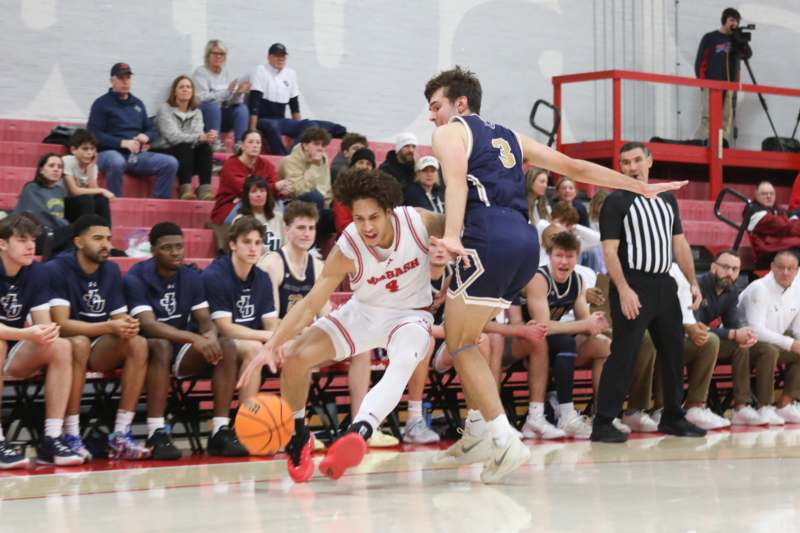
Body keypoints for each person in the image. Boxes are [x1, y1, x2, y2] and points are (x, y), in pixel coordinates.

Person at [424, 67, 685, 479]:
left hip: (487, 235)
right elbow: (573, 166)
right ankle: (475, 432)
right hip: (526, 242)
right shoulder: (511, 136)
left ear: (459, 104)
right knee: (470, 336)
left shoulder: (450, 131)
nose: (431, 116)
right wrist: (638, 186)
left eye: (435, 106)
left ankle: (503, 438)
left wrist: (453, 235)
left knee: (459, 344)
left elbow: (455, 184)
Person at [237, 169, 444, 483]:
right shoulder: (349, 246)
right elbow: (309, 303)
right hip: (364, 312)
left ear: (390, 211)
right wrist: (271, 344)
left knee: (403, 361)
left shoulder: (418, 221)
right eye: (359, 219)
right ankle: (298, 436)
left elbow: (461, 226)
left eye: (373, 217)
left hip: (410, 314)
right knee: (295, 357)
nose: (367, 227)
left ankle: (359, 431)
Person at [591, 141, 705, 442]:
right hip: (632, 284)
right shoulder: (616, 201)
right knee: (623, 354)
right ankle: (603, 422)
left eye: (637, 160)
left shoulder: (667, 199)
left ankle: (672, 417)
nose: (631, 167)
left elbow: (679, 243)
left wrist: (693, 281)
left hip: (664, 283)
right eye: (625, 162)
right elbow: (610, 251)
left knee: (673, 351)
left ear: (650, 162)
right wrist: (624, 289)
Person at [123, 222, 248, 458]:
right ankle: (156, 432)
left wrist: (209, 336)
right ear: (153, 250)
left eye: (179, 247)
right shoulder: (136, 276)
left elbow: (204, 320)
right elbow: (148, 325)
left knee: (226, 346)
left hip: (179, 349)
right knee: (160, 346)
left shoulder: (191, 277)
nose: (175, 252)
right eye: (167, 248)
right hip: (143, 351)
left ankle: (220, 430)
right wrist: (194, 338)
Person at [47, 215, 151, 460]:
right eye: (97, 238)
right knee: (79, 343)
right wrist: (109, 326)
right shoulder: (57, 268)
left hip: (99, 344)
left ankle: (121, 434)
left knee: (138, 343)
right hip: (67, 344)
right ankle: (70, 433)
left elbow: (118, 318)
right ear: (78, 242)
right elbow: (60, 324)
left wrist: (128, 326)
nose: (105, 244)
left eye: (108, 238)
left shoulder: (111, 269)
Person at [0, 214, 81, 468]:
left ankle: (52, 437)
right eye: (21, 240)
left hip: (14, 349)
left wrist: (45, 332)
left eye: (33, 240)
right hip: (5, 343)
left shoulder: (36, 272)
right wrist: (26, 334)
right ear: (2, 244)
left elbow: (43, 324)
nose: (30, 246)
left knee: (60, 345)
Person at [517, 231, 610, 439]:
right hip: (525, 344)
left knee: (604, 345)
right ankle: (566, 414)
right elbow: (542, 326)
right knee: (565, 342)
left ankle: (603, 414)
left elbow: (583, 322)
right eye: (559, 256)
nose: (564, 261)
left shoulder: (577, 280)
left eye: (569, 256)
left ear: (576, 258)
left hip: (554, 342)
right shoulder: (538, 279)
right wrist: (584, 324)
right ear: (550, 256)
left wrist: (594, 325)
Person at [201, 217, 279, 406]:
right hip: (215, 344)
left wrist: (280, 340)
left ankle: (296, 422)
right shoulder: (215, 275)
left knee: (293, 347)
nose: (253, 248)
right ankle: (246, 423)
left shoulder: (262, 278)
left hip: (250, 338)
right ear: (232, 244)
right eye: (247, 242)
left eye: (258, 243)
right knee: (255, 348)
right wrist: (270, 336)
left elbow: (271, 322)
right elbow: (225, 328)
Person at [693, 250, 774, 426]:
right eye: (725, 267)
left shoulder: (731, 291)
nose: (730, 273)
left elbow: (733, 324)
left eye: (735, 269)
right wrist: (732, 334)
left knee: (742, 344)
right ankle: (696, 406)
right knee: (730, 340)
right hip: (687, 337)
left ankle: (741, 407)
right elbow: (694, 326)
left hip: (707, 340)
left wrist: (745, 334)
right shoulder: (697, 285)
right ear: (713, 267)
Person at [88, 62, 178, 199]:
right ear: (113, 81)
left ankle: (158, 205)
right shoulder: (101, 104)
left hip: (135, 155)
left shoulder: (138, 104)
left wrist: (146, 136)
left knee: (170, 163)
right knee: (116, 161)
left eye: (128, 78)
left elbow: (151, 129)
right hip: (108, 153)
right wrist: (121, 143)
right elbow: (94, 134)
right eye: (121, 78)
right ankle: (115, 204)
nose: (125, 82)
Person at [737, 250, 800, 423]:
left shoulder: (797, 289)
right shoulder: (760, 288)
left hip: (773, 339)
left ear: (797, 270)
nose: (785, 272)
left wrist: (796, 342)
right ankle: (764, 406)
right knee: (769, 351)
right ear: (772, 267)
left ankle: (785, 404)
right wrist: (790, 343)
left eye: (790, 268)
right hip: (743, 341)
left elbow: (797, 329)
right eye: (781, 267)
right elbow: (756, 329)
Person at [248, 43, 344, 155]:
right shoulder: (261, 70)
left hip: (280, 120)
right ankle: (281, 156)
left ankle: (292, 155)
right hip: (264, 119)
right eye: (277, 56)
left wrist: (299, 127)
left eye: (283, 56)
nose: (281, 58)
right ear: (269, 57)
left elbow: (294, 105)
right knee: (271, 126)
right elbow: (254, 102)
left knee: (310, 125)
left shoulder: (290, 74)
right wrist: (252, 130)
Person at [151, 75, 215, 200]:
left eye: (188, 87)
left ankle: (205, 190)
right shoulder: (165, 109)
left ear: (192, 92)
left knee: (205, 148)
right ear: (174, 92)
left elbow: (198, 134)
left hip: (186, 154)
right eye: (181, 87)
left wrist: (207, 137)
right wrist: (199, 137)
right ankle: (185, 189)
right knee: (184, 146)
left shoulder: (197, 112)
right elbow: (173, 137)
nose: (185, 89)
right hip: (164, 150)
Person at [694, 7, 751, 144]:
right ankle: (701, 145)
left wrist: (739, 39)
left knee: (726, 119)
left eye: (736, 21)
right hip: (710, 84)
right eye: (732, 20)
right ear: (725, 20)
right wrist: (703, 83)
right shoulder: (710, 37)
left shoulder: (736, 40)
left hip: (729, 86)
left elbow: (748, 54)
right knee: (708, 118)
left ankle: (722, 147)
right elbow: (700, 61)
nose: (734, 24)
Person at [210, 130, 280, 224]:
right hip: (232, 206)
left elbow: (275, 186)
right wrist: (274, 187)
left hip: (261, 203)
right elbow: (245, 189)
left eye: (258, 142)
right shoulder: (230, 165)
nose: (255, 145)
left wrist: (282, 189)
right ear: (242, 146)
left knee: (280, 206)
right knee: (255, 211)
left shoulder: (266, 165)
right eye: (250, 142)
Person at [193, 39, 250, 152]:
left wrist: (238, 93)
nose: (218, 56)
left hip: (223, 114)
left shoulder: (227, 72)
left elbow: (230, 100)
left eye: (222, 54)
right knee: (212, 105)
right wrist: (226, 92)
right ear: (208, 55)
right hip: (206, 116)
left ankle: (240, 144)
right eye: (215, 53)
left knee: (241, 108)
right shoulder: (201, 72)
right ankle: (215, 142)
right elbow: (202, 98)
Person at [13, 153, 72, 254]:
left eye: (60, 167)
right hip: (35, 234)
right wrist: (67, 226)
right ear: (41, 170)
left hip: (56, 231)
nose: (56, 169)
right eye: (51, 165)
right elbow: (39, 215)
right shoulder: (31, 188)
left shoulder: (59, 191)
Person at [62, 129, 114, 225]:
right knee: (86, 199)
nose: (90, 153)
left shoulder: (93, 166)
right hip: (64, 205)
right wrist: (102, 190)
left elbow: (93, 191)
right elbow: (74, 191)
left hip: (83, 205)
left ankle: (106, 234)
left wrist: (90, 168)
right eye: (85, 149)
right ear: (74, 150)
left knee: (101, 200)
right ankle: (87, 232)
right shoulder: (67, 161)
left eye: (92, 149)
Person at [226, 175, 285, 253]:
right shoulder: (240, 220)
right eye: (254, 191)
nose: (259, 195)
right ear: (247, 196)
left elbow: (286, 247)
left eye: (262, 191)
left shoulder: (279, 218)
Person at [278, 127, 333, 210]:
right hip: (294, 203)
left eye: (323, 145)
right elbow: (298, 191)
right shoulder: (289, 161)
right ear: (305, 145)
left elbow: (325, 187)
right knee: (315, 197)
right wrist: (314, 166)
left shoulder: (323, 158)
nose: (320, 148)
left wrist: (329, 208)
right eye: (316, 144)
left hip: (321, 202)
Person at [332, 152, 376, 236]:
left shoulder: (378, 190)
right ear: (353, 166)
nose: (364, 166)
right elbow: (343, 225)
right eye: (361, 162)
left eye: (368, 164)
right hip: (350, 239)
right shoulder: (343, 190)